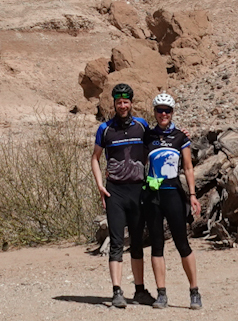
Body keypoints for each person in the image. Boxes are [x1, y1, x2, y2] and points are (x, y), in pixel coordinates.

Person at [141, 93, 203, 310]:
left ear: (173, 112)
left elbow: (187, 168)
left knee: (182, 243)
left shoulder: (180, 137)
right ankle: (161, 293)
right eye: (159, 110)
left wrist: (193, 196)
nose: (163, 114)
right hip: (153, 196)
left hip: (174, 193)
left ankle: (194, 291)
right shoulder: (147, 136)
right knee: (156, 244)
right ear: (155, 112)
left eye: (167, 110)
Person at [92, 83, 151, 308]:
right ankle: (117, 291)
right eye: (119, 102)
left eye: (126, 102)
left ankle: (140, 290)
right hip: (114, 191)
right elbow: (95, 158)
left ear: (131, 103)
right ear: (114, 103)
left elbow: (156, 146)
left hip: (138, 190)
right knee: (116, 242)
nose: (123, 105)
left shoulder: (142, 126)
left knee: (137, 242)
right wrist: (100, 186)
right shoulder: (105, 129)